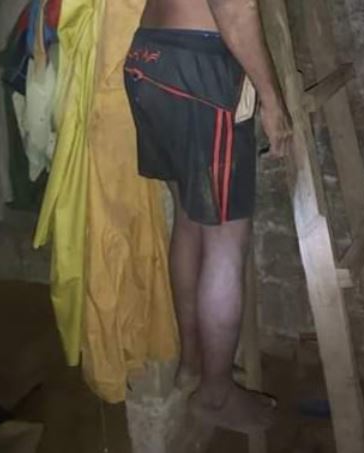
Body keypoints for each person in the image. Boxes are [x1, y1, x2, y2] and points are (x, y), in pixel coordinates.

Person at [124, 0, 293, 432]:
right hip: (198, 69)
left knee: (189, 219)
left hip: (151, 56)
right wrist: (271, 99)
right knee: (226, 242)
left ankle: (192, 365)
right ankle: (215, 395)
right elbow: (236, 6)